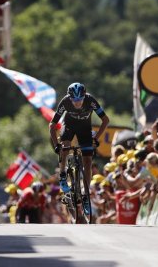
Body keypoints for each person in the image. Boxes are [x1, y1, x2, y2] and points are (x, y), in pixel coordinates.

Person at [49, 82, 109, 215]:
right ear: (70, 98)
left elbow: (105, 120)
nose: (77, 103)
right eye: (74, 100)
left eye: (80, 100)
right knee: (65, 146)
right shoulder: (65, 102)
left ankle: (86, 194)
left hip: (84, 129)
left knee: (87, 160)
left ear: (84, 97)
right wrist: (56, 145)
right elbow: (52, 124)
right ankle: (63, 175)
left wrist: (96, 138)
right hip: (69, 126)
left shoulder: (90, 100)